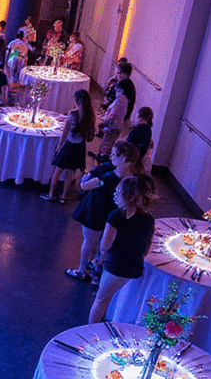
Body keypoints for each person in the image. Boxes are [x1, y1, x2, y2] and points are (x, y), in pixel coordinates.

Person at [67, 139, 141, 281]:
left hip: (94, 212)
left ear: (123, 158)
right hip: (112, 215)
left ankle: (82, 270)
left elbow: (84, 186)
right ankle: (94, 263)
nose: (111, 156)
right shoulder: (133, 179)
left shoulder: (106, 177)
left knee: (88, 241)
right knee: (101, 241)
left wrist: (86, 178)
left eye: (114, 154)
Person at [88, 174, 156, 322]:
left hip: (116, 265)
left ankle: (90, 331)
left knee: (101, 299)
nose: (115, 194)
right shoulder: (149, 218)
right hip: (135, 266)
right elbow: (147, 243)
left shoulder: (116, 216)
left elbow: (106, 244)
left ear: (127, 196)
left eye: (118, 192)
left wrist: (101, 257)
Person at [43, 89, 96, 202]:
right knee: (70, 172)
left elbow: (65, 132)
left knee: (57, 172)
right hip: (80, 147)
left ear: (77, 101)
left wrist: (59, 146)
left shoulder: (73, 115)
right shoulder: (90, 116)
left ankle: (51, 194)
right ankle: (63, 196)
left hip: (69, 145)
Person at [126, 106, 154, 170]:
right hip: (138, 158)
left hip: (131, 157)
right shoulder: (148, 130)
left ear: (139, 115)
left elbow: (129, 143)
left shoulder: (138, 129)